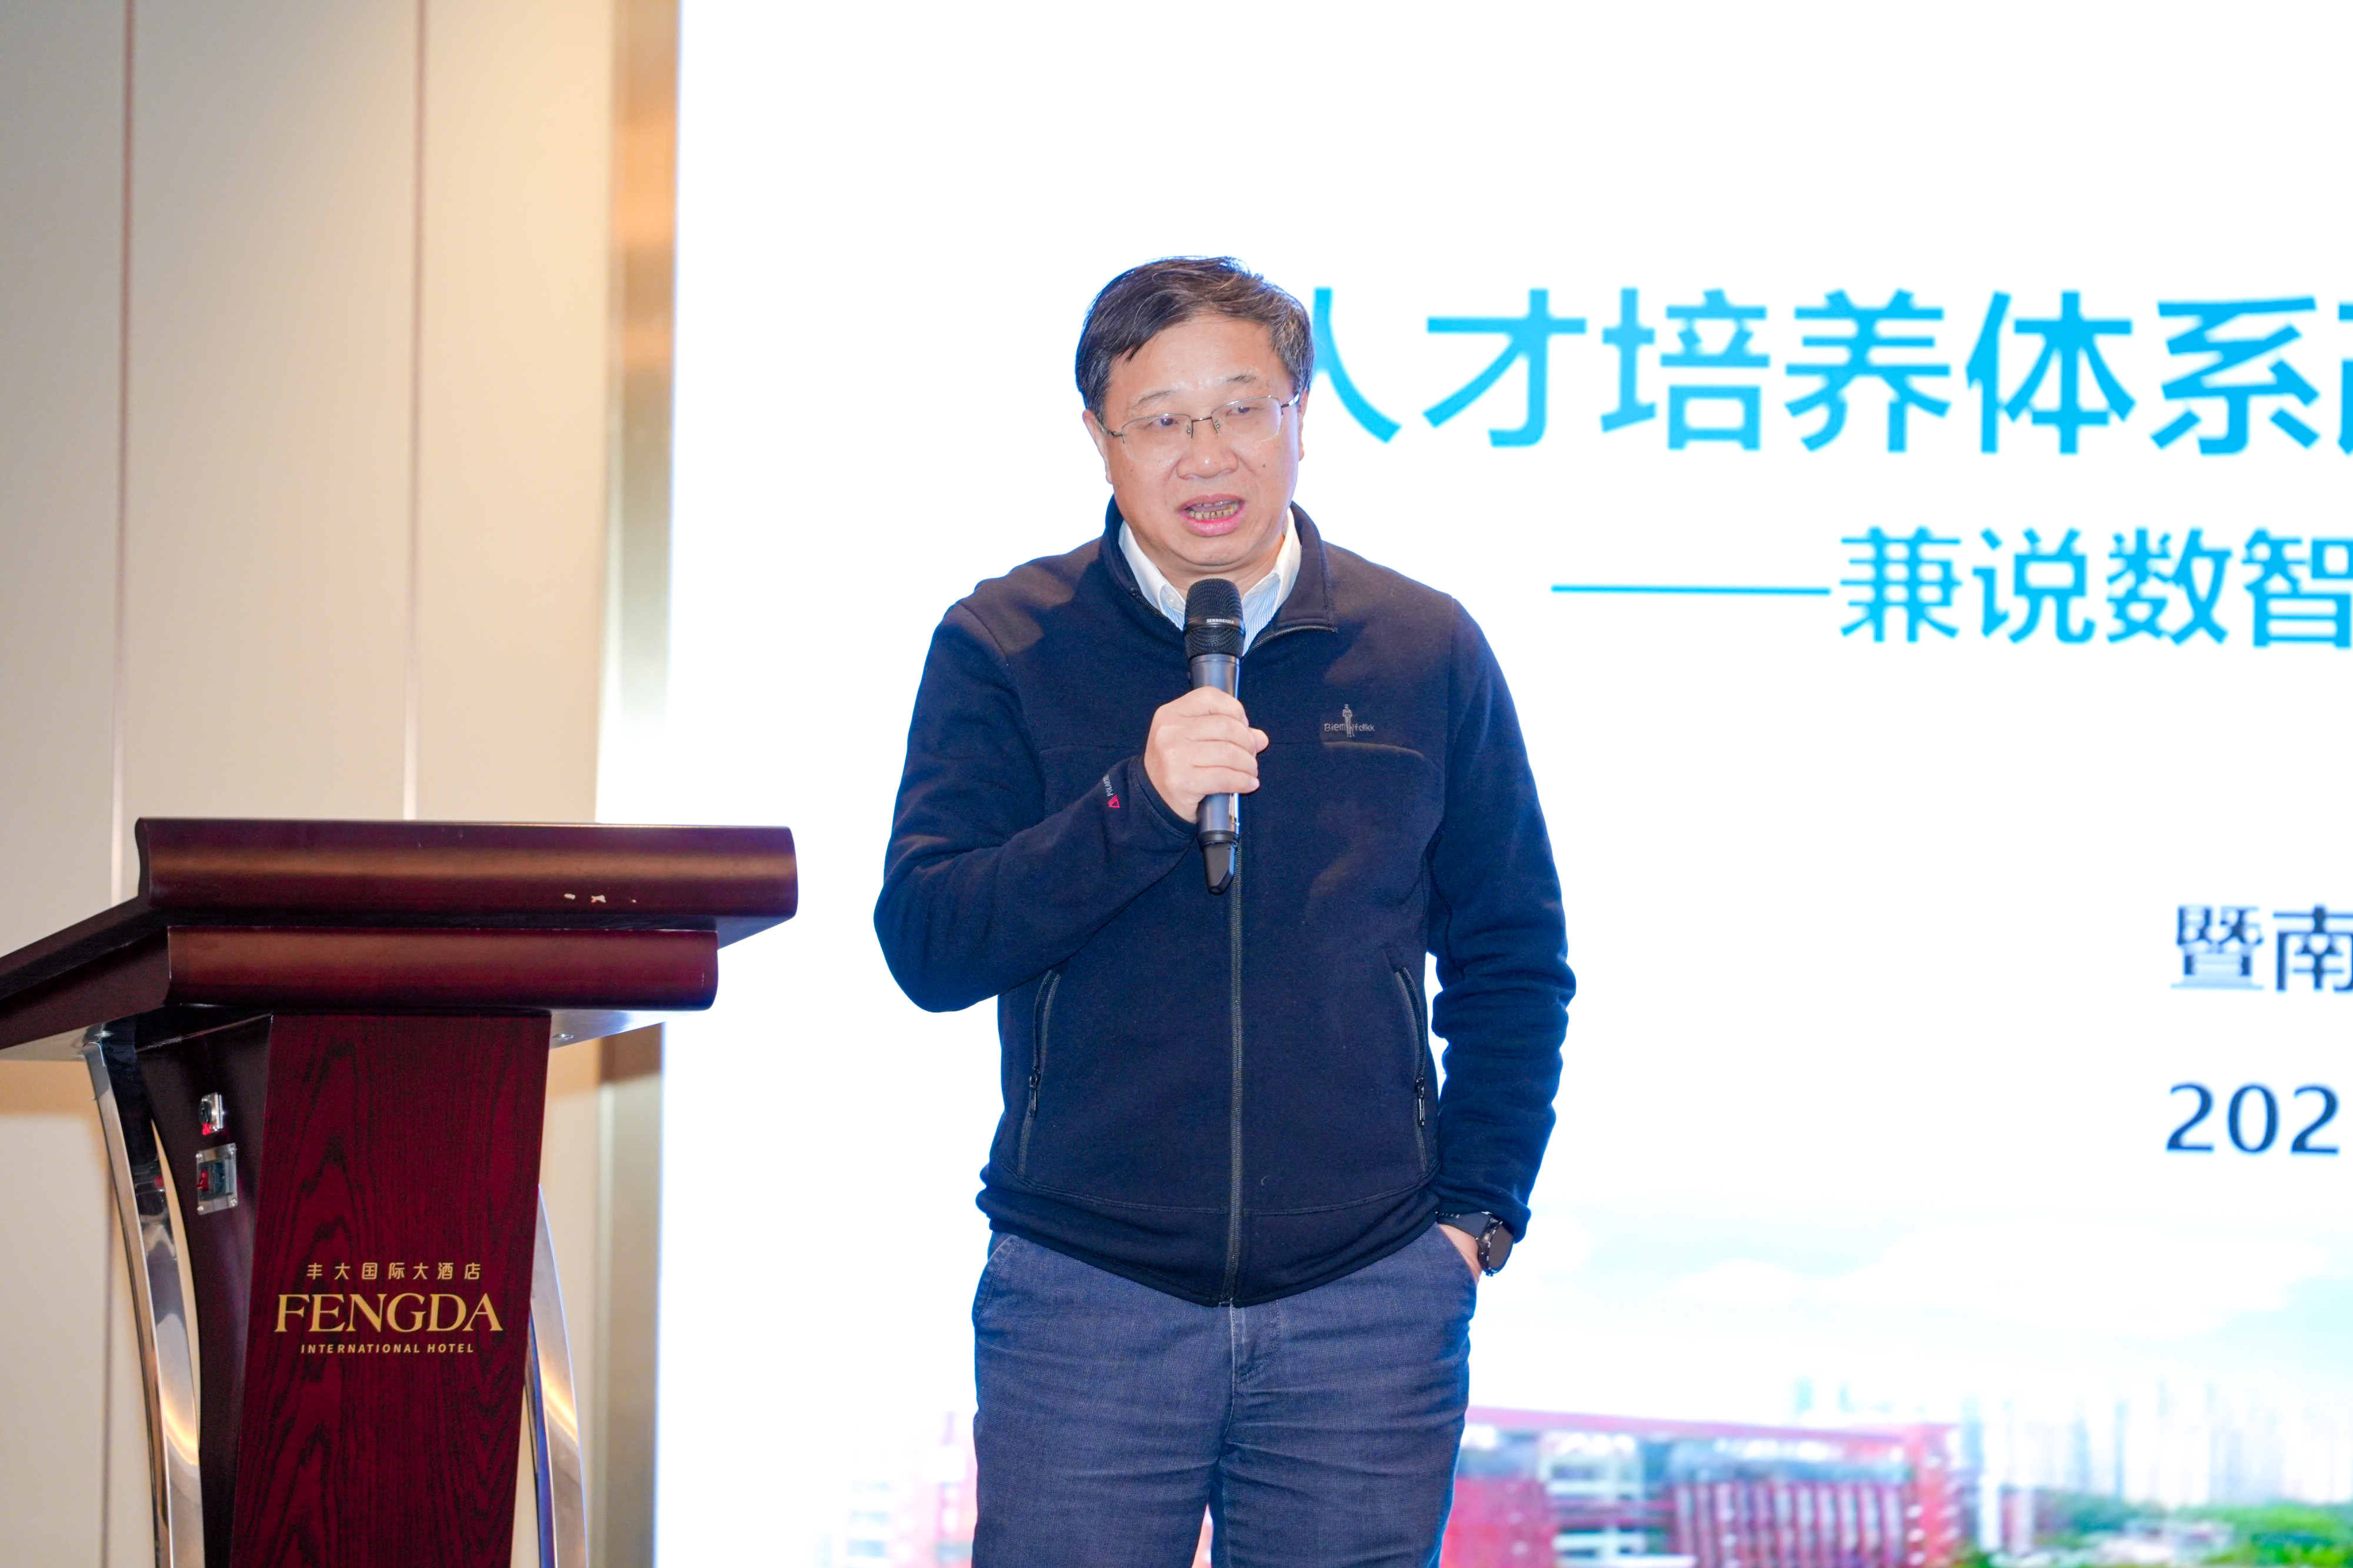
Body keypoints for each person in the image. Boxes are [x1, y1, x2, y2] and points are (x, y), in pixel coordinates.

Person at [875, 256, 1574, 1567]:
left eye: (1243, 407)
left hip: (1369, 1299)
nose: (1209, 453)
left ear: (1301, 415)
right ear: (1099, 438)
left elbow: (1513, 957)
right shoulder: (1005, 643)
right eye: (1162, 418)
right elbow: (929, 940)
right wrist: (1134, 804)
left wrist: (1473, 1218)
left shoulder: (1420, 646)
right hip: (1086, 1294)